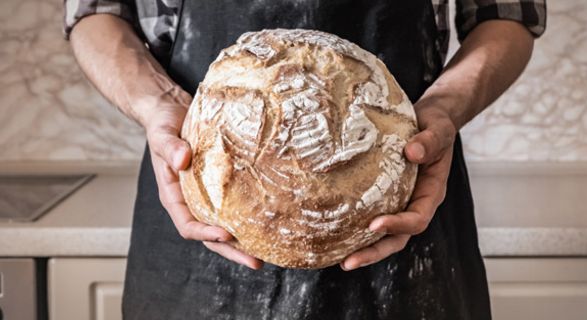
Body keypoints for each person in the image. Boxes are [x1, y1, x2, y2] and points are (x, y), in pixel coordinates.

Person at [64, 0, 546, 319]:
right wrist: (158, 104)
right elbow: (94, 12)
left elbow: (507, 14)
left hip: (408, 208)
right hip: (197, 199)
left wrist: (442, 110)